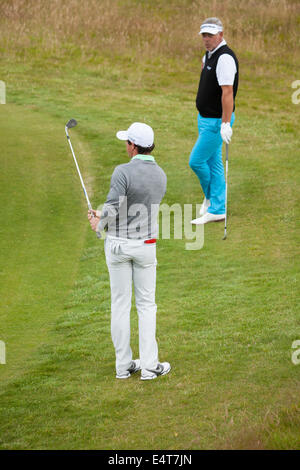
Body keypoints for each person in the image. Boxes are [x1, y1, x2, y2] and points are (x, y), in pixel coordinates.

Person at [88, 122, 171, 380]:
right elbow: (136, 207)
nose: (126, 147)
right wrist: (105, 215)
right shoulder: (161, 175)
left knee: (120, 304)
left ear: (133, 146)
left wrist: (98, 223)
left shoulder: (122, 172)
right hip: (145, 246)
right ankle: (149, 367)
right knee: (146, 305)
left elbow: (115, 208)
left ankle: (123, 366)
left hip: (118, 246)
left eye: (127, 143)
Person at [189, 17, 239, 225]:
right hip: (205, 118)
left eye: (210, 35)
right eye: (204, 35)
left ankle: (214, 203)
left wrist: (226, 123)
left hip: (216, 122)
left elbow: (227, 93)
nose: (207, 39)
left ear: (220, 33)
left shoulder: (225, 58)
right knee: (213, 163)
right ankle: (216, 205)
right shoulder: (208, 55)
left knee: (196, 161)